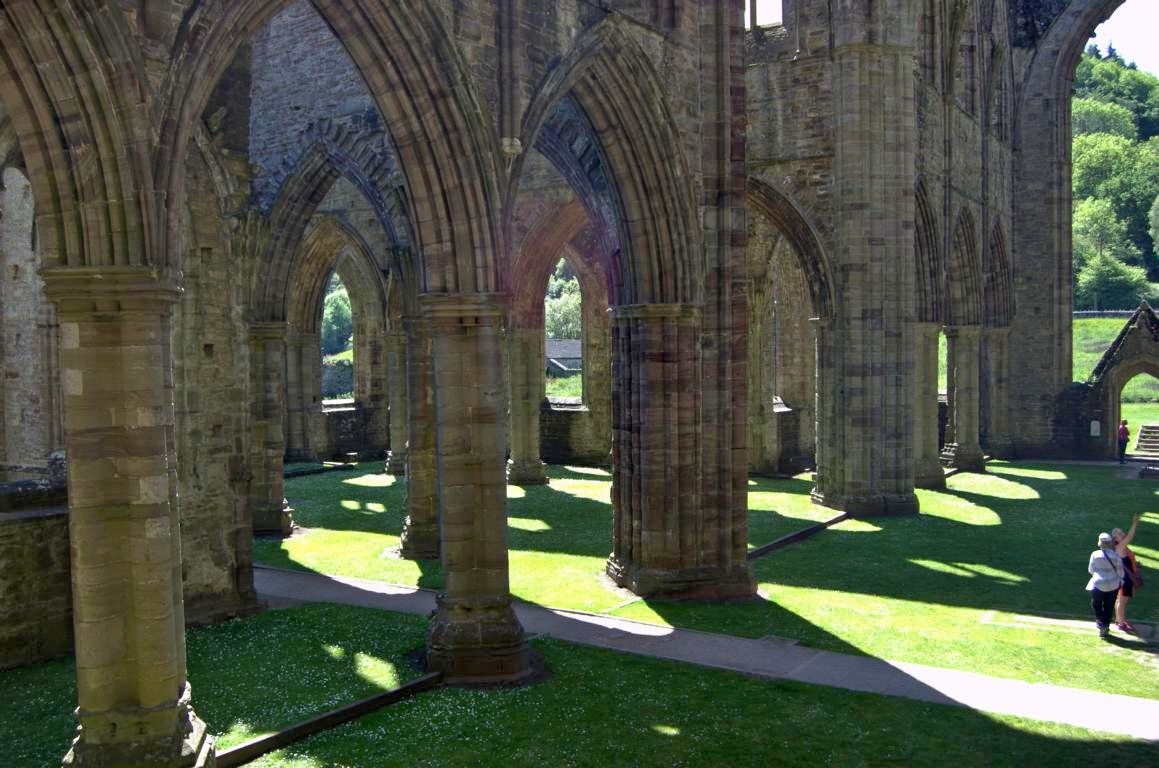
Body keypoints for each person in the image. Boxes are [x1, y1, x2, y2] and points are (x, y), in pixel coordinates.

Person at [1086, 531, 1123, 639]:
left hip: (1098, 585)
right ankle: (1105, 626)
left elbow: (1090, 570)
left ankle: (1100, 622)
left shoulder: (1094, 554)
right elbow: (1121, 573)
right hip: (1113, 586)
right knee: (1109, 606)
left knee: (1096, 604)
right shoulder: (1116, 556)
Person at [1113, 513, 1143, 633]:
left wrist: (1136, 565)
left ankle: (1120, 620)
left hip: (1126, 578)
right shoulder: (1120, 547)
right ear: (1115, 538)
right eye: (1120, 534)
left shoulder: (1122, 547)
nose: (1123, 534)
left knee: (1121, 600)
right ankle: (1121, 623)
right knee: (1122, 600)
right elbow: (1130, 536)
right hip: (1124, 579)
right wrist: (1135, 523)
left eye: (1122, 532)